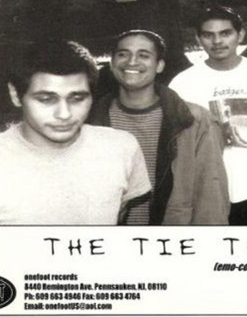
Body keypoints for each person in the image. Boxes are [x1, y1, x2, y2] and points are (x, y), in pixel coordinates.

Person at [0, 41, 151, 225]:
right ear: (15, 95)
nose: (64, 114)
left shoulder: (122, 148)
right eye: (46, 99)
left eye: (77, 98)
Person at [89, 29, 229, 225]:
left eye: (143, 55)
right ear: (111, 64)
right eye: (123, 54)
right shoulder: (91, 118)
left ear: (159, 65)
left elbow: (211, 194)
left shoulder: (193, 119)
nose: (131, 62)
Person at [169, 6, 247, 225]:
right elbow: (179, 145)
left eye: (225, 33)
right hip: (204, 190)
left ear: (240, 35)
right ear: (198, 39)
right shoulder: (183, 82)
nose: (217, 41)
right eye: (208, 35)